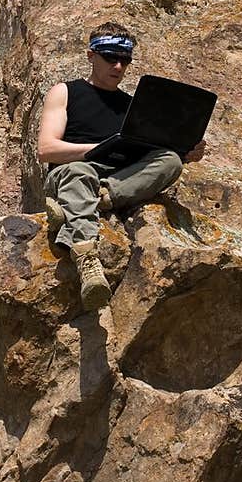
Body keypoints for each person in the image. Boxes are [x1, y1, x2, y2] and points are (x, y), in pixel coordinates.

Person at [37, 22, 206, 311]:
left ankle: (93, 200)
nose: (118, 66)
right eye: (110, 58)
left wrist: (188, 151)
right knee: (82, 172)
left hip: (115, 178)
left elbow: (155, 155)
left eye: (125, 60)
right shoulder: (65, 92)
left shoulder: (132, 106)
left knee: (171, 160)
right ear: (91, 56)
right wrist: (99, 149)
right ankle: (87, 259)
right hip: (70, 171)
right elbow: (46, 149)